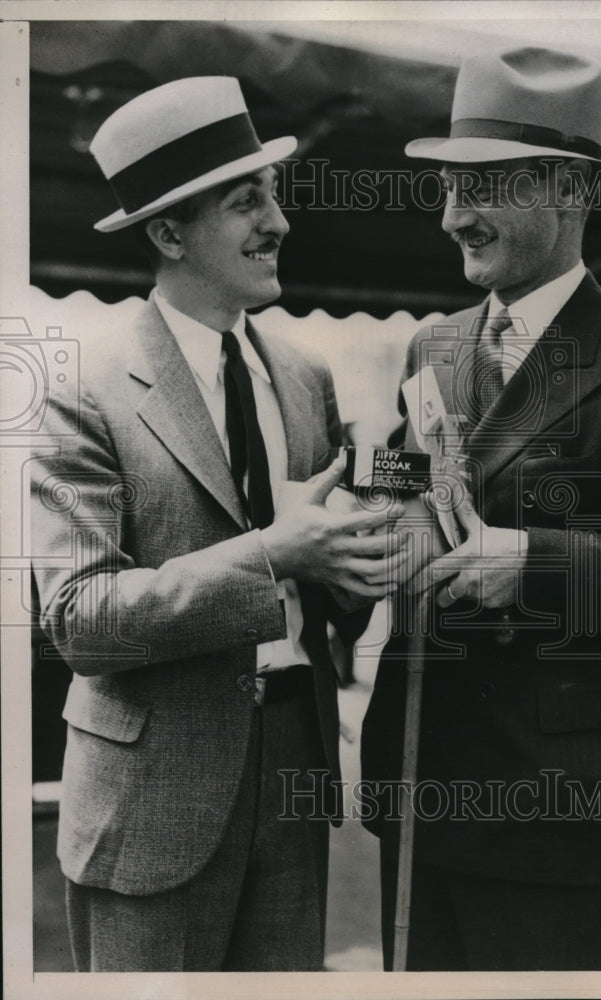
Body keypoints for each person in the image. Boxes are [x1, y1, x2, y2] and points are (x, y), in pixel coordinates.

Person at [31, 76, 405, 972]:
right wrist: (273, 553)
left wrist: (350, 573)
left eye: (272, 195)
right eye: (247, 202)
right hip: (150, 797)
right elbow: (79, 619)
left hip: (295, 770)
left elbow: (324, 587)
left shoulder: (307, 377)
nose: (277, 222)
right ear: (167, 234)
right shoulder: (86, 392)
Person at [361, 46, 601, 971]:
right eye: (447, 187)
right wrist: (366, 519)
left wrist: (532, 562)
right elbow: (408, 488)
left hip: (553, 818)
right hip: (419, 783)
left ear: (565, 186)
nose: (450, 218)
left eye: (477, 186)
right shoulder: (428, 348)